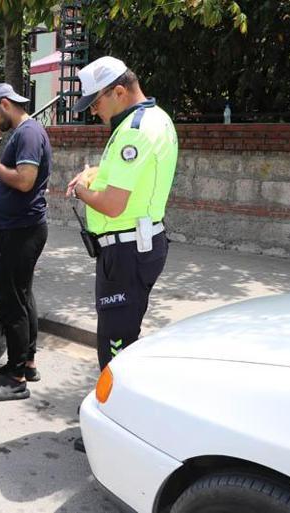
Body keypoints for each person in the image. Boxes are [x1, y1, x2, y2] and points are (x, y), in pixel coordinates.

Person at [66, 56, 178, 370]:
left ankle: (112, 406)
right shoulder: (155, 118)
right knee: (124, 332)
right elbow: (135, 173)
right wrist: (96, 174)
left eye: (94, 102)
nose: (92, 110)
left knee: (115, 339)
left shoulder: (134, 131)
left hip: (126, 250)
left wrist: (81, 191)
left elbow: (113, 205)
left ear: (118, 92)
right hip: (136, 245)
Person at [0, 83, 51, 401]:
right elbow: (16, 179)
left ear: (5, 103)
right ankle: (27, 363)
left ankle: (17, 378)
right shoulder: (25, 133)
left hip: (22, 231)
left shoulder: (28, 134)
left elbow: (26, 179)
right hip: (23, 227)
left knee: (9, 299)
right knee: (22, 295)